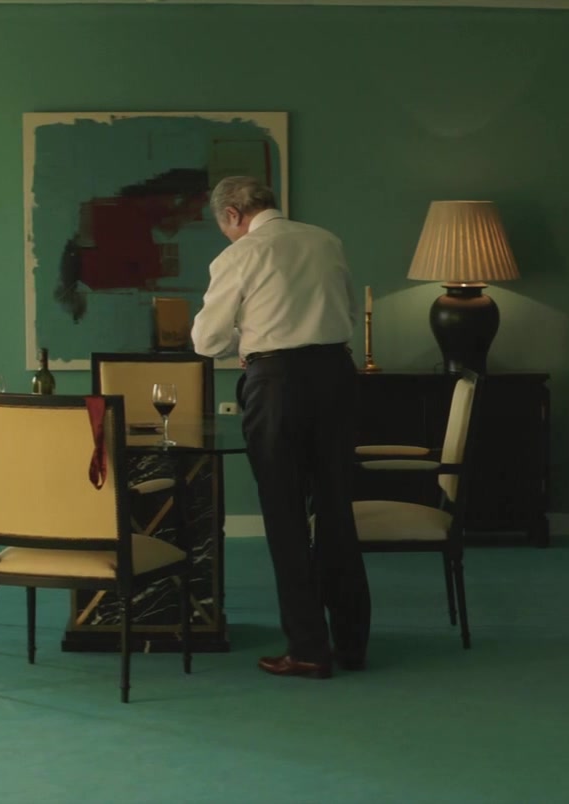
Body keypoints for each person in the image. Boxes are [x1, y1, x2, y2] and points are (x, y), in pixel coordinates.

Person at [191, 176, 369, 680]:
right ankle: (352, 645)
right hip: (337, 376)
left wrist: (248, 337)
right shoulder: (326, 241)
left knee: (285, 515)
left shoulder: (241, 254)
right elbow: (346, 312)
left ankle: (309, 649)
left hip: (277, 385)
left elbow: (207, 341)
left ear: (232, 214)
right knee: (336, 510)